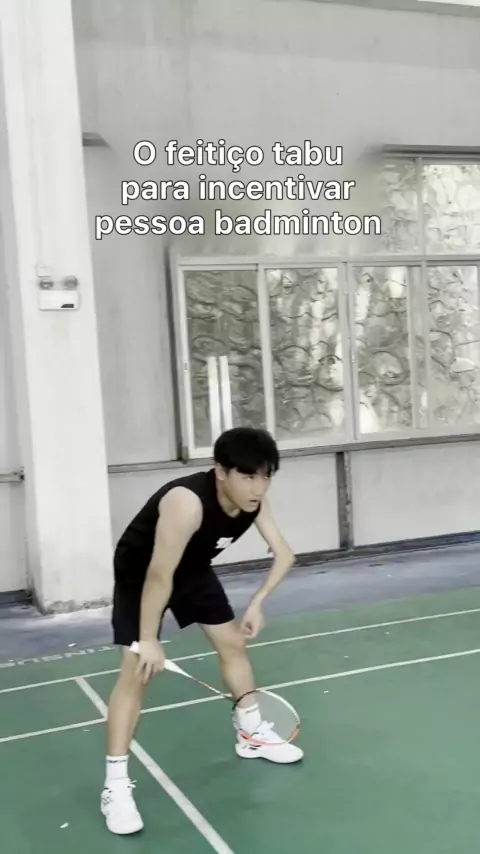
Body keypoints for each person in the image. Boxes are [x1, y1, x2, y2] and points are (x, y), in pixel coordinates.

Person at [101, 426, 303, 835]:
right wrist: (150, 639)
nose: (259, 487)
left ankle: (251, 733)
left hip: (192, 568)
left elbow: (285, 554)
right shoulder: (187, 503)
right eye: (248, 476)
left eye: (266, 476)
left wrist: (257, 602)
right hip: (142, 573)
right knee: (137, 670)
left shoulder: (254, 502)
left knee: (233, 643)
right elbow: (159, 575)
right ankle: (115, 785)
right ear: (220, 471)